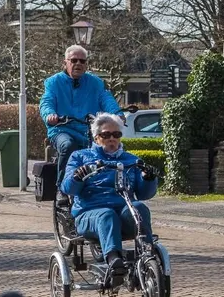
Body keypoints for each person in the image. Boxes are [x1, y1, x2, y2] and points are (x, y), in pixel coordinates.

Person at [61, 112, 158, 286]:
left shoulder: (131, 160)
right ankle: (114, 259)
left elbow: (144, 194)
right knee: (106, 215)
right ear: (96, 137)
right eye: (106, 135)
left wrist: (149, 179)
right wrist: (77, 176)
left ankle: (147, 252)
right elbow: (67, 188)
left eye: (116, 135)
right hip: (89, 213)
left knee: (139, 208)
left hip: (122, 210)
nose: (112, 139)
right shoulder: (80, 157)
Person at [40, 44, 122, 205]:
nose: (78, 64)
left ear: (86, 64)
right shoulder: (53, 82)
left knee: (107, 149)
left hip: (87, 129)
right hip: (62, 129)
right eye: (74, 60)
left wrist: (117, 114)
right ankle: (61, 189)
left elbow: (106, 99)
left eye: (82, 61)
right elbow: (46, 101)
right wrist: (50, 114)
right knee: (67, 146)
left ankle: (107, 187)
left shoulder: (95, 83)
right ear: (65, 62)